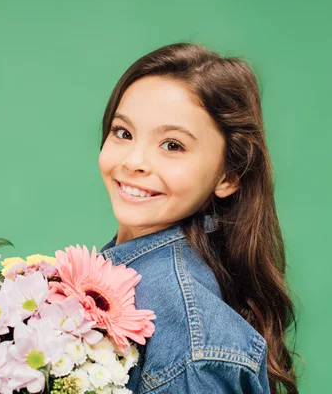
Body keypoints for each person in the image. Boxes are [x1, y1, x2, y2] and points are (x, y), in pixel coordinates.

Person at [97, 43, 298, 393]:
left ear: (228, 176)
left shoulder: (193, 351)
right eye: (123, 133)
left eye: (172, 145)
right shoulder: (121, 275)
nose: (134, 161)